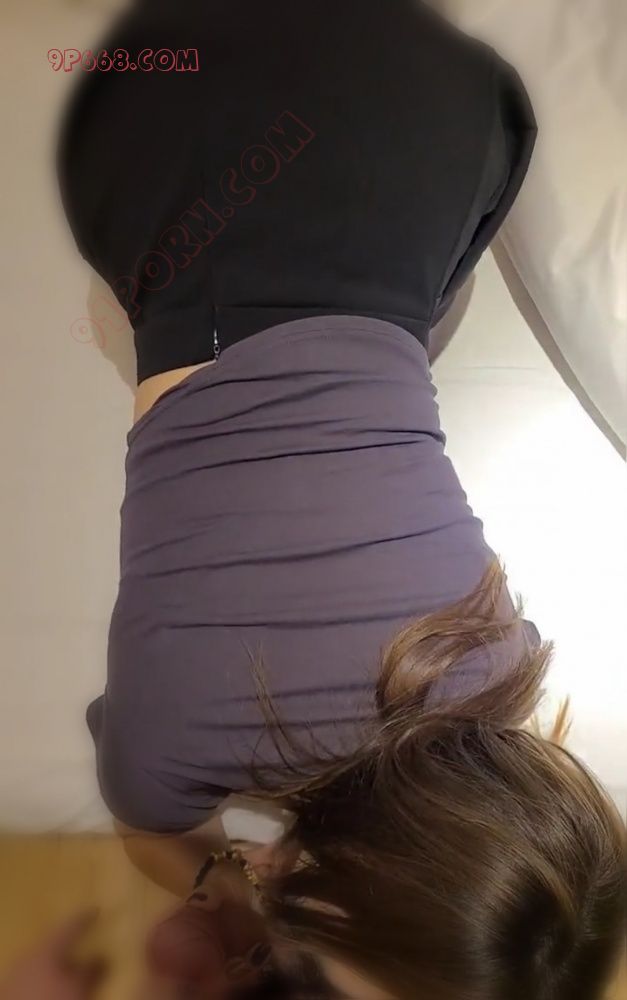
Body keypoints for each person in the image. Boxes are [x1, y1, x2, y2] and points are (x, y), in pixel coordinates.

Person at [57, 1, 626, 997]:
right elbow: (151, 835)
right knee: (126, 296)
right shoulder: (161, 752)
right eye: (311, 963)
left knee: (419, 318)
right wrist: (226, 884)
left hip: (440, 103)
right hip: (159, 112)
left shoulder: (496, 661)